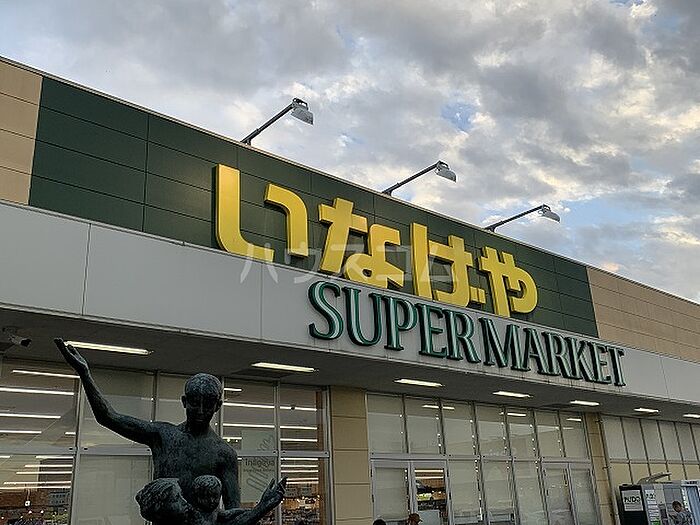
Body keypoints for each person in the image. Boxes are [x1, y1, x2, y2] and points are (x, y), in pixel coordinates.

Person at [54, 338, 285, 524]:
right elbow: (108, 417)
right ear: (184, 401)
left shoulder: (223, 454)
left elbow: (232, 517)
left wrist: (263, 507)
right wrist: (85, 374)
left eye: (208, 404)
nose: (201, 411)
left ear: (218, 406)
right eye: (194, 402)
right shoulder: (163, 436)